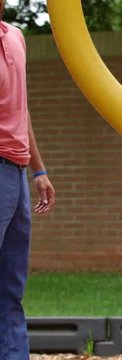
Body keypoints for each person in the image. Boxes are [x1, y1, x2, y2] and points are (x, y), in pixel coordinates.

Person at [0, 2, 56, 359]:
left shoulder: (16, 37)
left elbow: (21, 109)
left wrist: (39, 170)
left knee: (10, 288)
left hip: (16, 173)